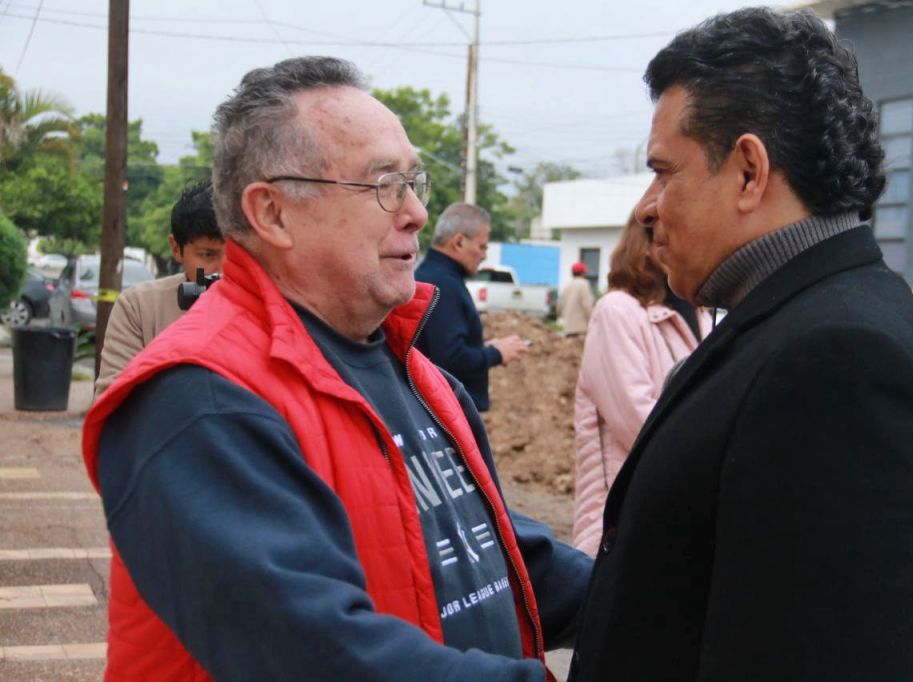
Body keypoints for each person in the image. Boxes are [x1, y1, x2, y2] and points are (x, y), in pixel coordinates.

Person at [81, 56, 591, 681]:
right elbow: (313, 651)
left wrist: (663, 601)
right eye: (382, 186)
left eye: (414, 182)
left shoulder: (420, 376)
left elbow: (493, 553)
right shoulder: (200, 398)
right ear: (272, 213)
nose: (415, 214)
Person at [569, 9, 913, 682]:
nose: (649, 206)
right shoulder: (799, 321)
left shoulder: (838, 363)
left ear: (749, 172)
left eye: (665, 172)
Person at [572, 217, 708, 557]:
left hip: (673, 501)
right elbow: (637, 420)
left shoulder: (700, 313)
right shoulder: (618, 311)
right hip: (622, 509)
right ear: (645, 245)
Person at [95, 180, 225, 395]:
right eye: (207, 254)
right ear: (176, 248)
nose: (223, 269)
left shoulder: (275, 304)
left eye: (239, 254)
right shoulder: (139, 307)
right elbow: (111, 402)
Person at [415, 203, 528, 412]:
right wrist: (495, 353)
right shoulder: (443, 284)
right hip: (449, 412)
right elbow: (450, 358)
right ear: (458, 242)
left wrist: (483, 348)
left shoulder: (434, 276)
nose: (484, 255)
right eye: (482, 246)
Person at [557, 262, 594, 337]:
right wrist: (593, 321)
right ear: (583, 273)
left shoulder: (568, 286)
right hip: (581, 330)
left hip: (568, 329)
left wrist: (564, 316)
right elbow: (587, 306)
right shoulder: (584, 284)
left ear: (572, 273)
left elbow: (559, 307)